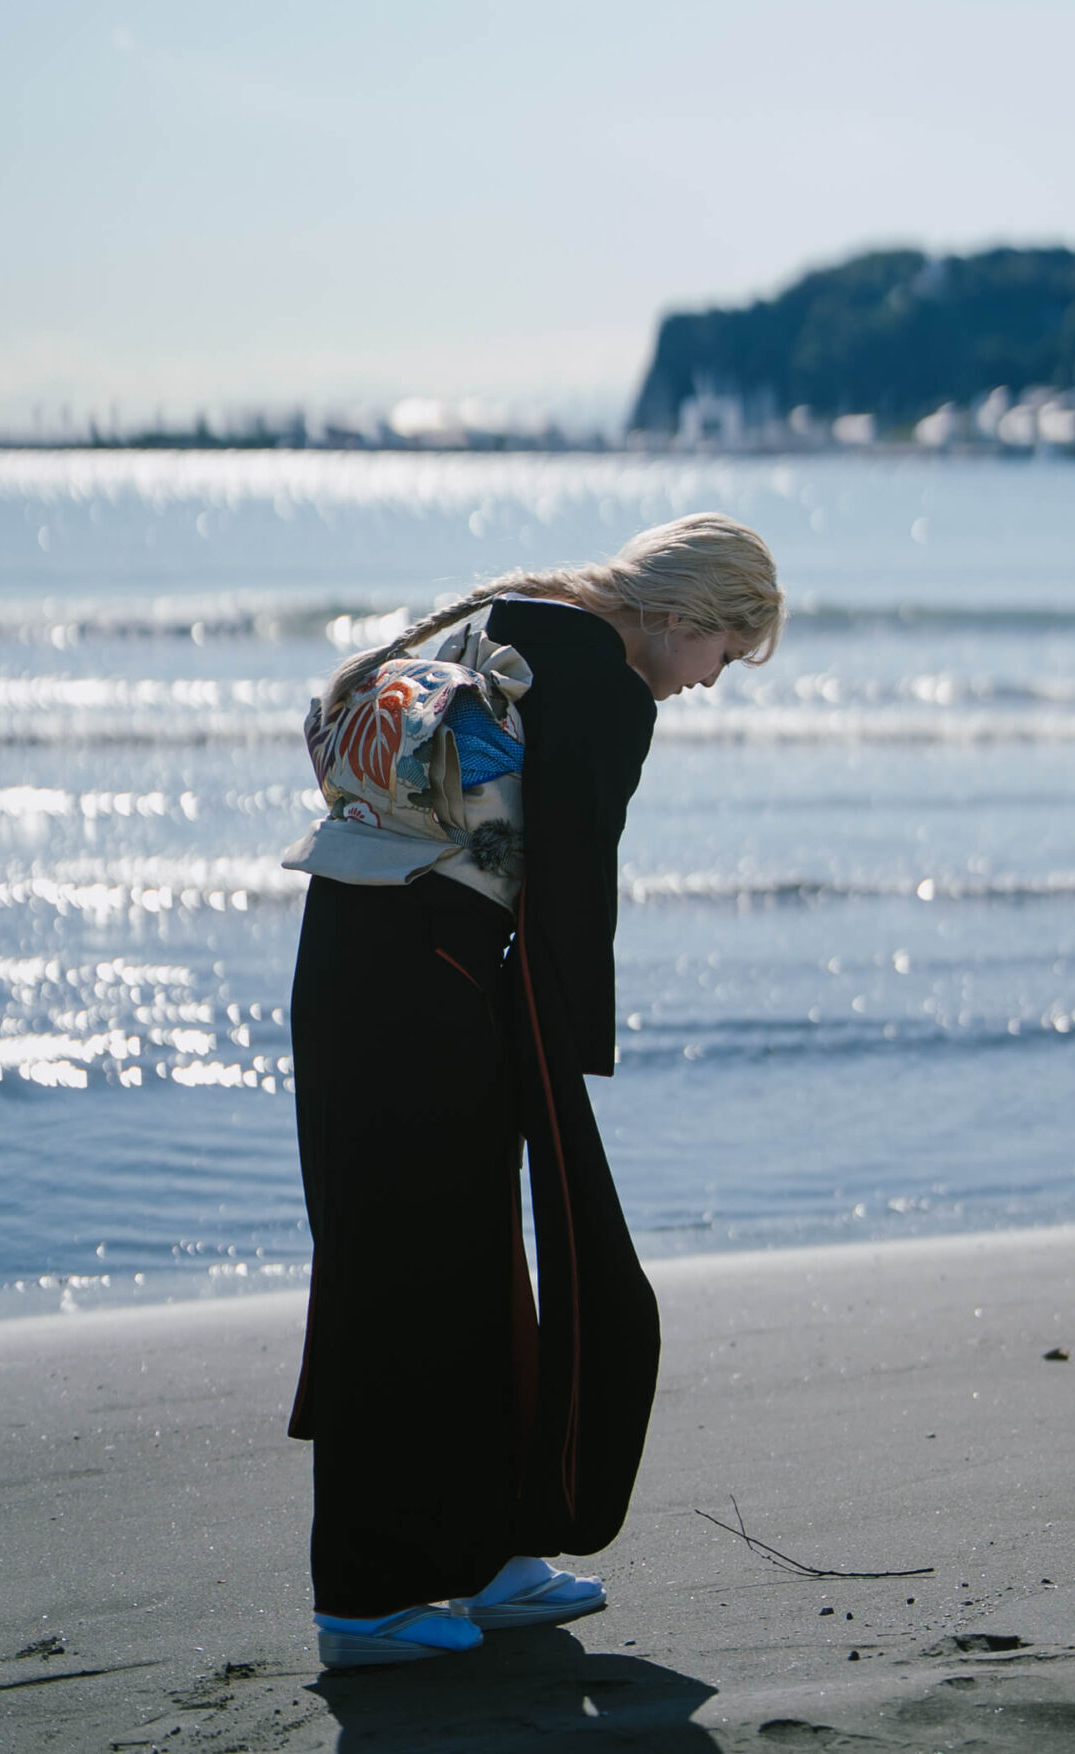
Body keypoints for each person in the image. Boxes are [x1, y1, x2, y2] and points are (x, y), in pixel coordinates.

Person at [283, 512, 784, 1671]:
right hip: (434, 984)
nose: (711, 682)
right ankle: (365, 1597)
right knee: (405, 1276)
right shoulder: (603, 683)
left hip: (356, 961)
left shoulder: (511, 622)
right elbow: (569, 892)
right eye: (722, 654)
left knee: (450, 1264)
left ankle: (488, 1553)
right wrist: (562, 1058)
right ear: (680, 617)